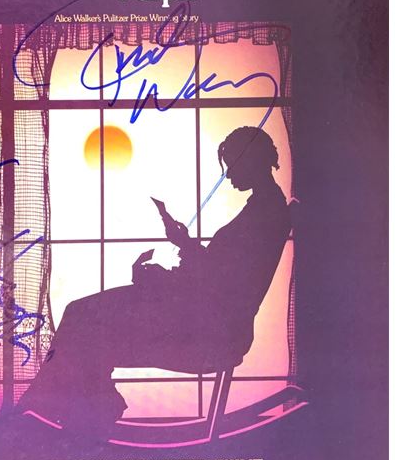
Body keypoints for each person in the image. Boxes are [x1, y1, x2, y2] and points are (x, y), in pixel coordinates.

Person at [17, 126, 292, 438]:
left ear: (251, 160)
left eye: (233, 165)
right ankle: (69, 409)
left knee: (83, 321)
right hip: (203, 319)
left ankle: (55, 411)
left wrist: (165, 276)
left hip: (206, 331)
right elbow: (221, 275)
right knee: (82, 317)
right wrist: (180, 250)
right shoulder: (264, 209)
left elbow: (223, 286)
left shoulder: (264, 214)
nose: (228, 175)